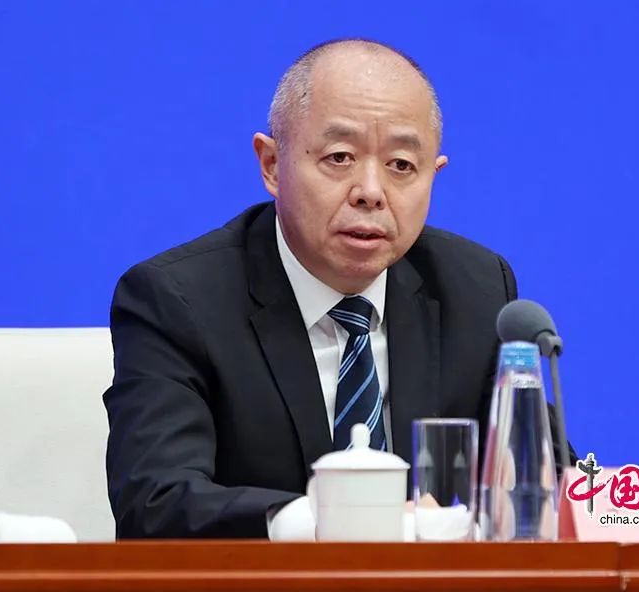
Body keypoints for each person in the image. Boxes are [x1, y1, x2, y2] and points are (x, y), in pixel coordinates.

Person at [103, 38, 577, 540]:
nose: (370, 191)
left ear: (433, 175)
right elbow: (155, 503)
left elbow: (547, 485)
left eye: (401, 165)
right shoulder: (178, 300)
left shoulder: (476, 288)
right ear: (271, 164)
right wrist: (335, 523)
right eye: (340, 156)